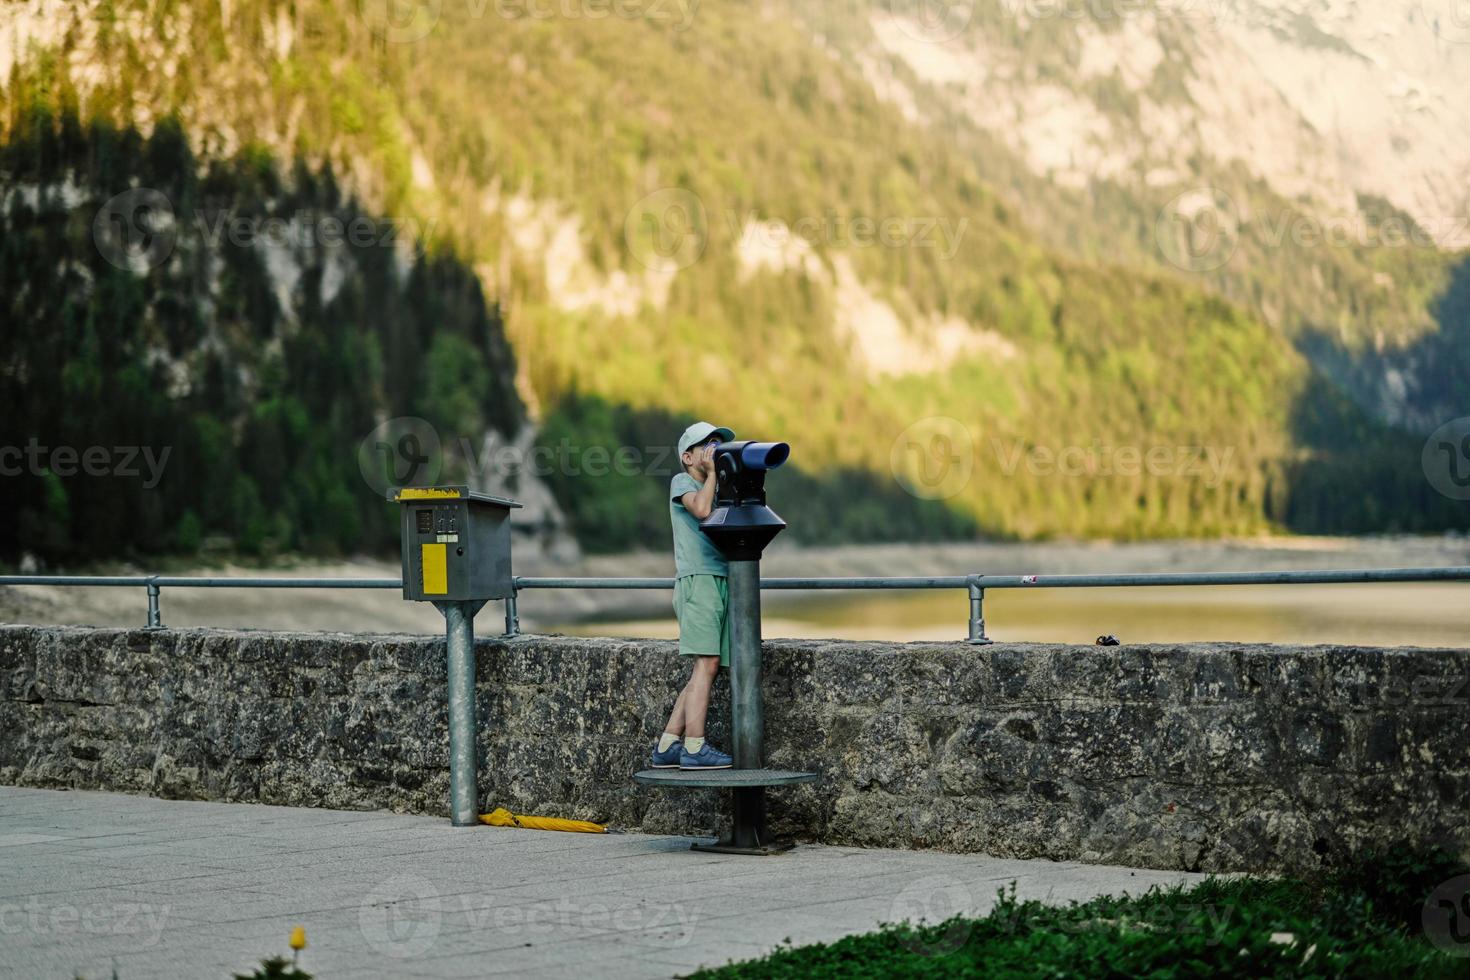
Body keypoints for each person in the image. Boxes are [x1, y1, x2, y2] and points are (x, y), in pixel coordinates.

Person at [649, 421, 736, 770]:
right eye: (708, 444)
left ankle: (669, 744)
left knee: (708, 665)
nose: (715, 448)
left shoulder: (717, 487)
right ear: (687, 456)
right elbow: (700, 510)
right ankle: (695, 748)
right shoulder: (683, 482)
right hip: (697, 580)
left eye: (719, 443)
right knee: (706, 664)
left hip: (718, 578)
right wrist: (714, 473)